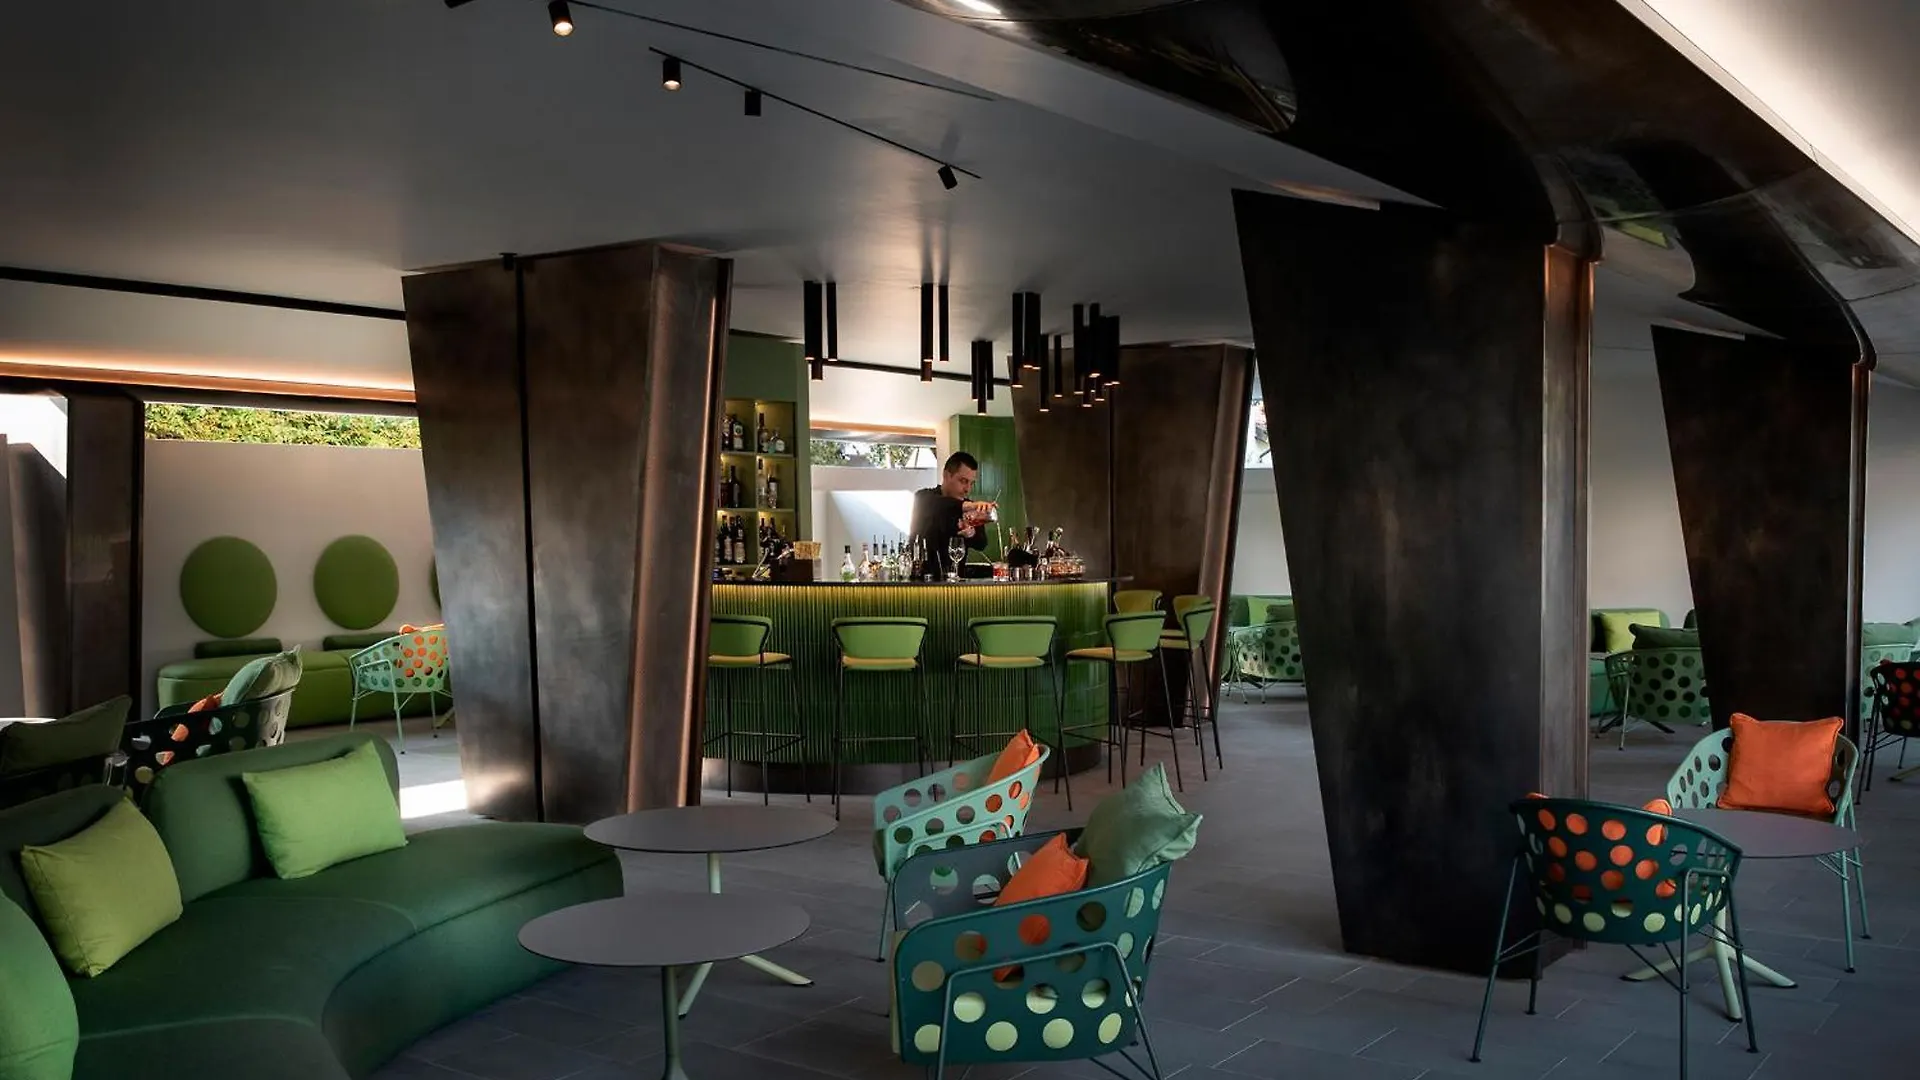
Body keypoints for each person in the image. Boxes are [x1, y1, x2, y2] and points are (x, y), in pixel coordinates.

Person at [912, 452, 991, 577]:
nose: (967, 489)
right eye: (963, 481)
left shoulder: (969, 508)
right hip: (921, 581)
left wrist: (971, 533)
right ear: (946, 475)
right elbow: (941, 505)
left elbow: (982, 544)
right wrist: (968, 506)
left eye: (971, 483)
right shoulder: (924, 497)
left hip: (955, 582)